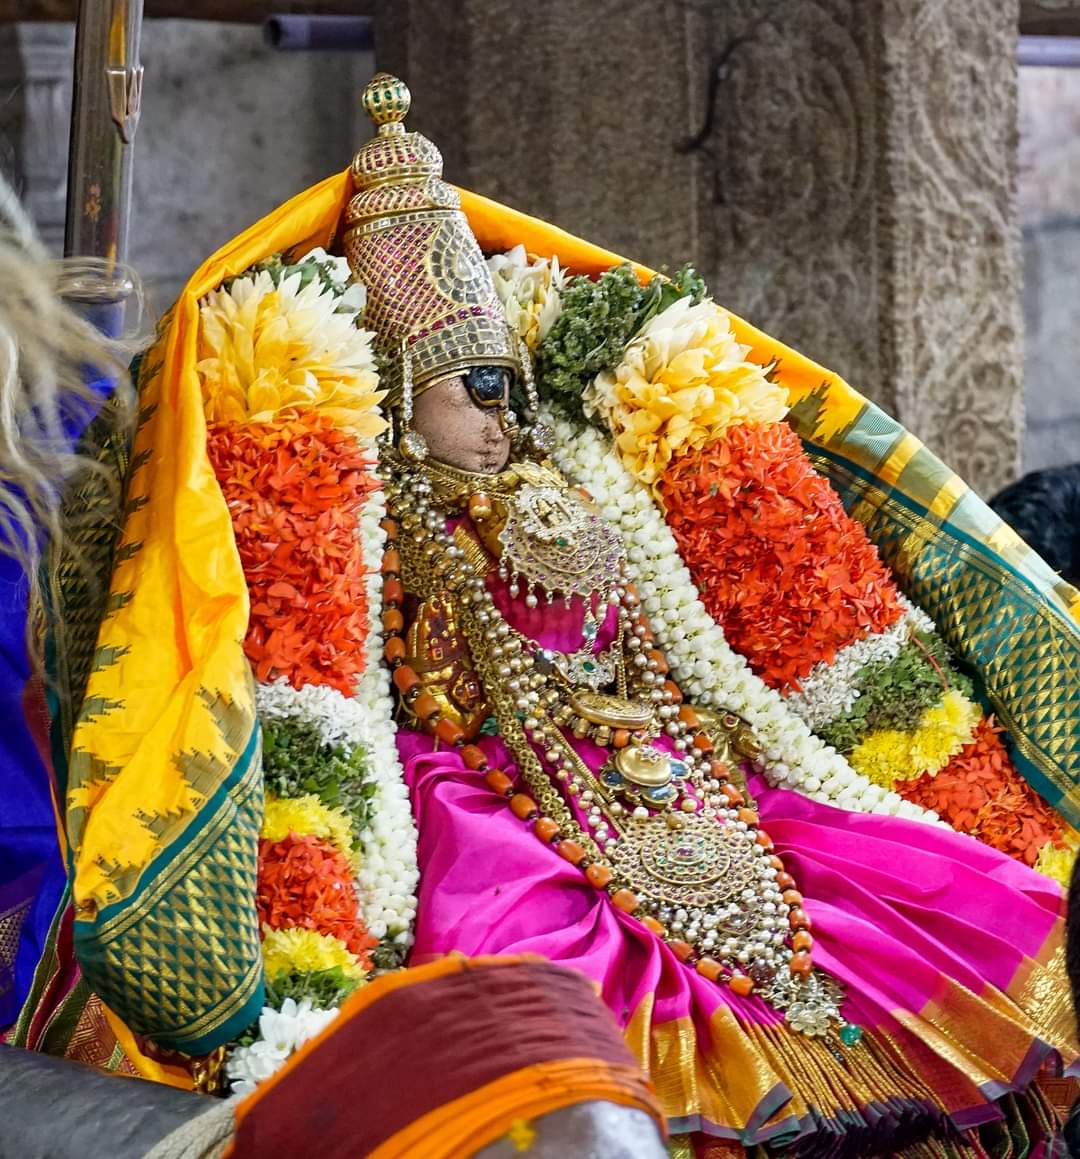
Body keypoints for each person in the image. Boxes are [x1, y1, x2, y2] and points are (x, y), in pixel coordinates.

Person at [12, 72, 1080, 1157]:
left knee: (928, 900)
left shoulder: (566, 474)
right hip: (473, 792)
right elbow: (330, 691)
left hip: (675, 766)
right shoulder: (358, 511)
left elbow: (671, 647)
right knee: (529, 997)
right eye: (473, 385)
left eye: (511, 385)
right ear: (393, 381)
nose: (502, 415)